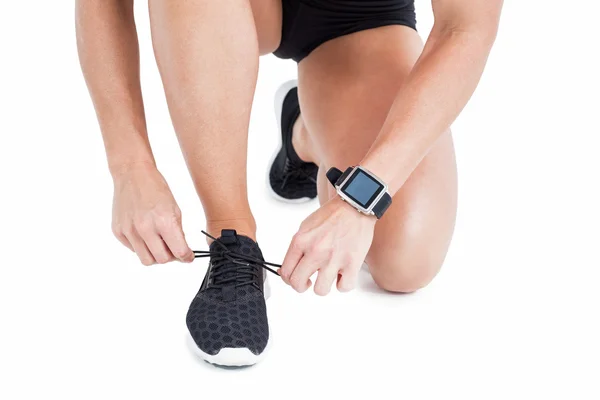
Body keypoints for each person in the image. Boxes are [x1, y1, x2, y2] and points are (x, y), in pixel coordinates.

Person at [76, 0, 502, 367]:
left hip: (356, 18)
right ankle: (234, 239)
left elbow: (465, 27)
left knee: (405, 259)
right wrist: (129, 165)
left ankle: (304, 134)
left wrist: (360, 198)